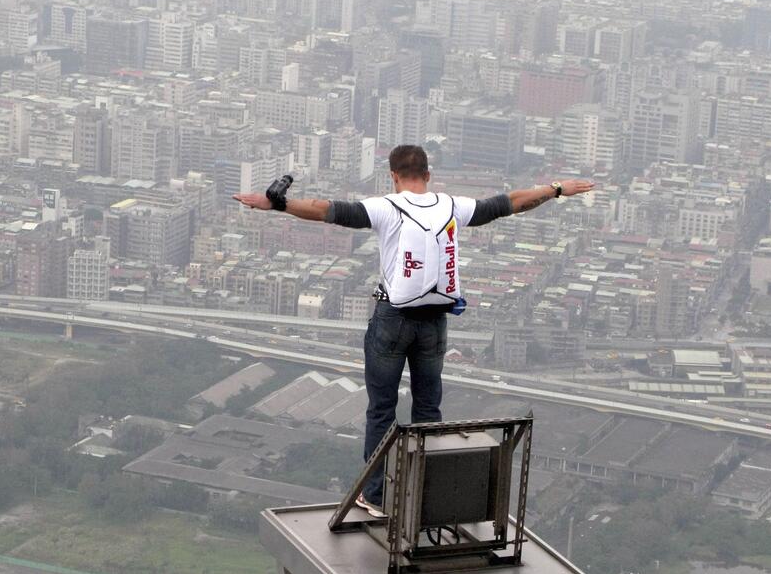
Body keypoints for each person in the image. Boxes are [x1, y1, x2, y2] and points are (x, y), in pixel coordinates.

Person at [234, 145, 594, 517]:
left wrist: (277, 204)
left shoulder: (385, 207)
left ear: (393, 175)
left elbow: (326, 210)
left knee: (382, 411)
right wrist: (555, 188)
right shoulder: (451, 205)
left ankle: (374, 496)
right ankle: (424, 495)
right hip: (434, 321)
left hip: (393, 319)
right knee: (427, 408)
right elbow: (511, 202)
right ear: (428, 173)